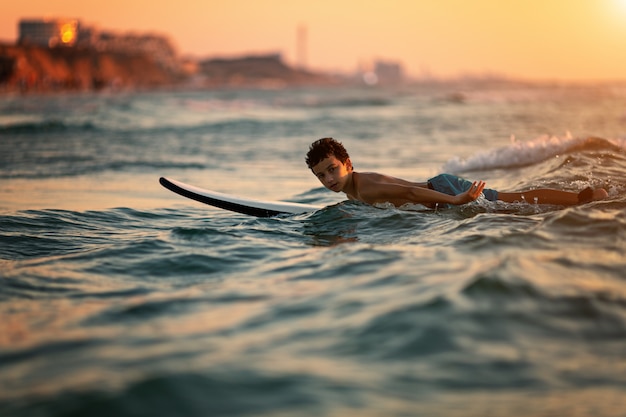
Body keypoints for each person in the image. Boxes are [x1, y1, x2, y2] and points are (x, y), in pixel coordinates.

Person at [305, 137, 608, 208]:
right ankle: (581, 197)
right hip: (441, 187)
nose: (329, 179)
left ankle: (583, 199)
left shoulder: (366, 187)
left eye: (332, 169)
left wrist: (456, 200)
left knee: (515, 203)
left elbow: (410, 193)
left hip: (445, 190)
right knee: (513, 202)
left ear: (348, 164)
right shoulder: (354, 186)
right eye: (322, 176)